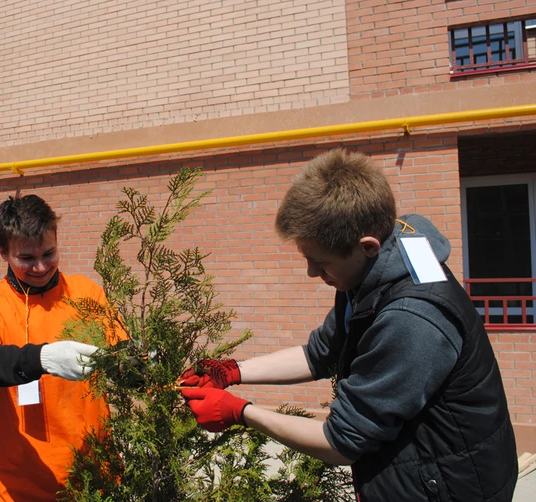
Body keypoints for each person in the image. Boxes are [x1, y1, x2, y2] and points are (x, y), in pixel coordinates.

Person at [180, 149, 518, 500]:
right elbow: (320, 353)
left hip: (452, 488)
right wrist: (232, 371)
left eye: (320, 262)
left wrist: (241, 412)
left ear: (366, 246)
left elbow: (340, 442)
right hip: (417, 472)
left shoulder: (411, 319)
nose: (312, 272)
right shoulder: (378, 266)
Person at [0, 194, 117, 502]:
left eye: (49, 253)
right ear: (3, 251)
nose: (41, 267)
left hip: (94, 470)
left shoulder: (87, 294)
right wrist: (41, 358)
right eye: (27, 258)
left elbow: (120, 352)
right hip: (20, 480)